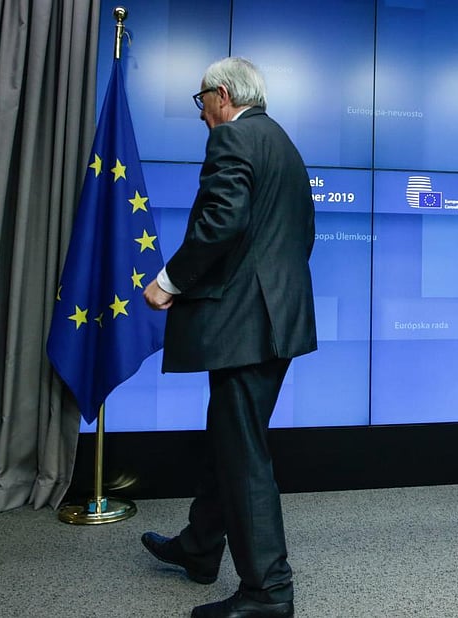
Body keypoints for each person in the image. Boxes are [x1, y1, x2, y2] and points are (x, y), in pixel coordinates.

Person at [142, 57, 316, 617]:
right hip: (276, 320)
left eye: (201, 102)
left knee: (242, 453)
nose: (201, 115)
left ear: (221, 95)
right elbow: (300, 236)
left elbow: (220, 223)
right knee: (229, 437)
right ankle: (199, 548)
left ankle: (268, 592)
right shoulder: (282, 142)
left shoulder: (233, 139)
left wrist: (169, 282)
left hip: (245, 323)